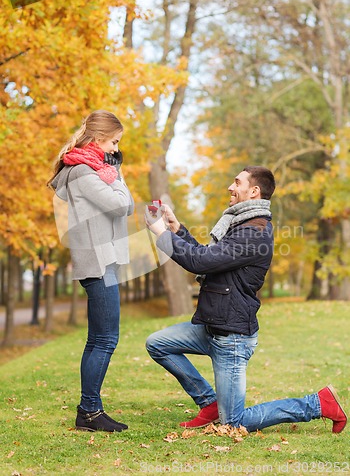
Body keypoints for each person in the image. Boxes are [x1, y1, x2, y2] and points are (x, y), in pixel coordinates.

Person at [145, 166, 347, 434]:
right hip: (213, 326)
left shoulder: (254, 232)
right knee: (157, 344)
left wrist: (162, 234)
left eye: (237, 182)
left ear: (254, 191)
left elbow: (199, 261)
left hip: (232, 339)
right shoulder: (239, 224)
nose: (231, 187)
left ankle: (317, 404)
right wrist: (177, 229)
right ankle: (209, 404)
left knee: (234, 423)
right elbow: (209, 257)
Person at [48, 110, 134, 432]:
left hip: (103, 259)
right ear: (98, 139)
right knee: (105, 339)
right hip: (97, 262)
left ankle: (90, 410)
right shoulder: (84, 172)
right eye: (113, 142)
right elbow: (123, 205)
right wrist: (118, 174)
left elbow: (123, 203)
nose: (115, 149)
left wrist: (113, 173)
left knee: (99, 338)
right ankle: (89, 411)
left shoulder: (95, 169)